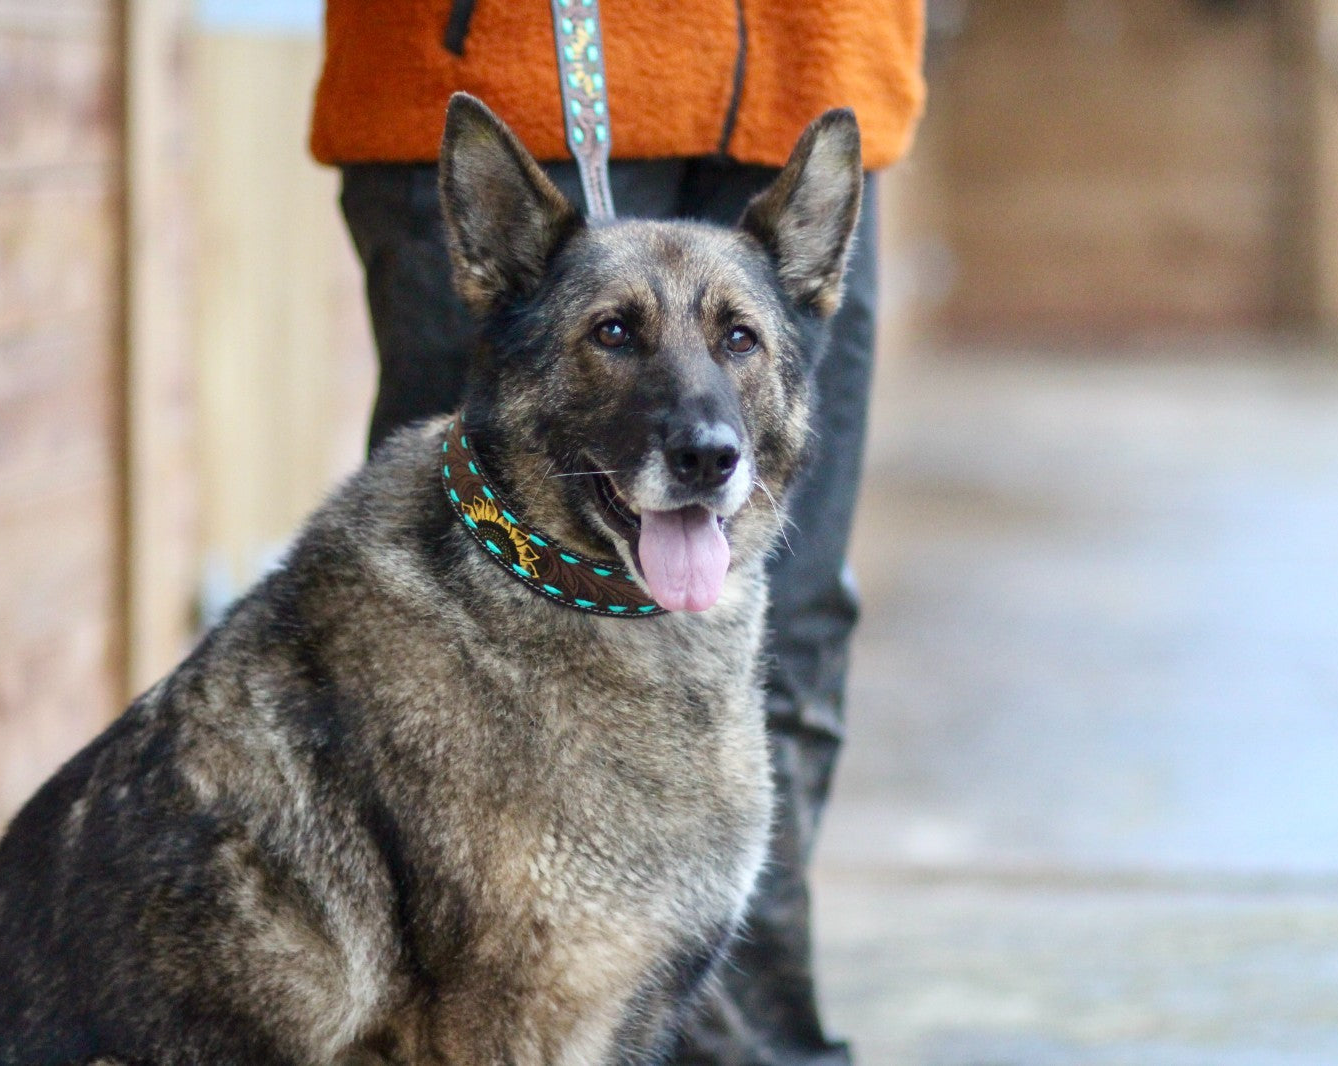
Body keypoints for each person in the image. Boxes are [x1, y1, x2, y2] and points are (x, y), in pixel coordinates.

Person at [311, 5, 925, 1063]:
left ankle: (742, 1048)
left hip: (812, 51)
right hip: (505, 53)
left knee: (789, 622)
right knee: (431, 628)